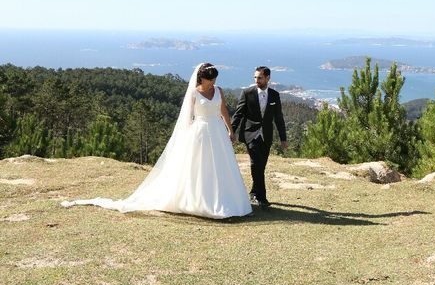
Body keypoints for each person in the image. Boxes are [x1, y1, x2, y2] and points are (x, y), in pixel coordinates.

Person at [61, 63, 252, 219]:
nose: (213, 82)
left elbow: (223, 110)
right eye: (210, 79)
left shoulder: (218, 90)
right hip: (200, 132)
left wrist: (230, 129)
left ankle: (226, 199)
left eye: (215, 79)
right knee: (200, 167)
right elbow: (186, 119)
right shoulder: (194, 94)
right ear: (201, 78)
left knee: (221, 166)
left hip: (217, 131)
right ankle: (199, 200)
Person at [231, 66, 287, 207]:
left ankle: (253, 192)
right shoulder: (247, 93)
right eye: (255, 77)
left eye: (260, 77)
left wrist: (283, 138)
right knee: (256, 164)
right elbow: (238, 114)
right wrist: (231, 132)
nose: (257, 80)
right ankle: (262, 198)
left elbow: (278, 118)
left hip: (266, 135)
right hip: (250, 134)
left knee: (261, 166)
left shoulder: (274, 95)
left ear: (268, 78)